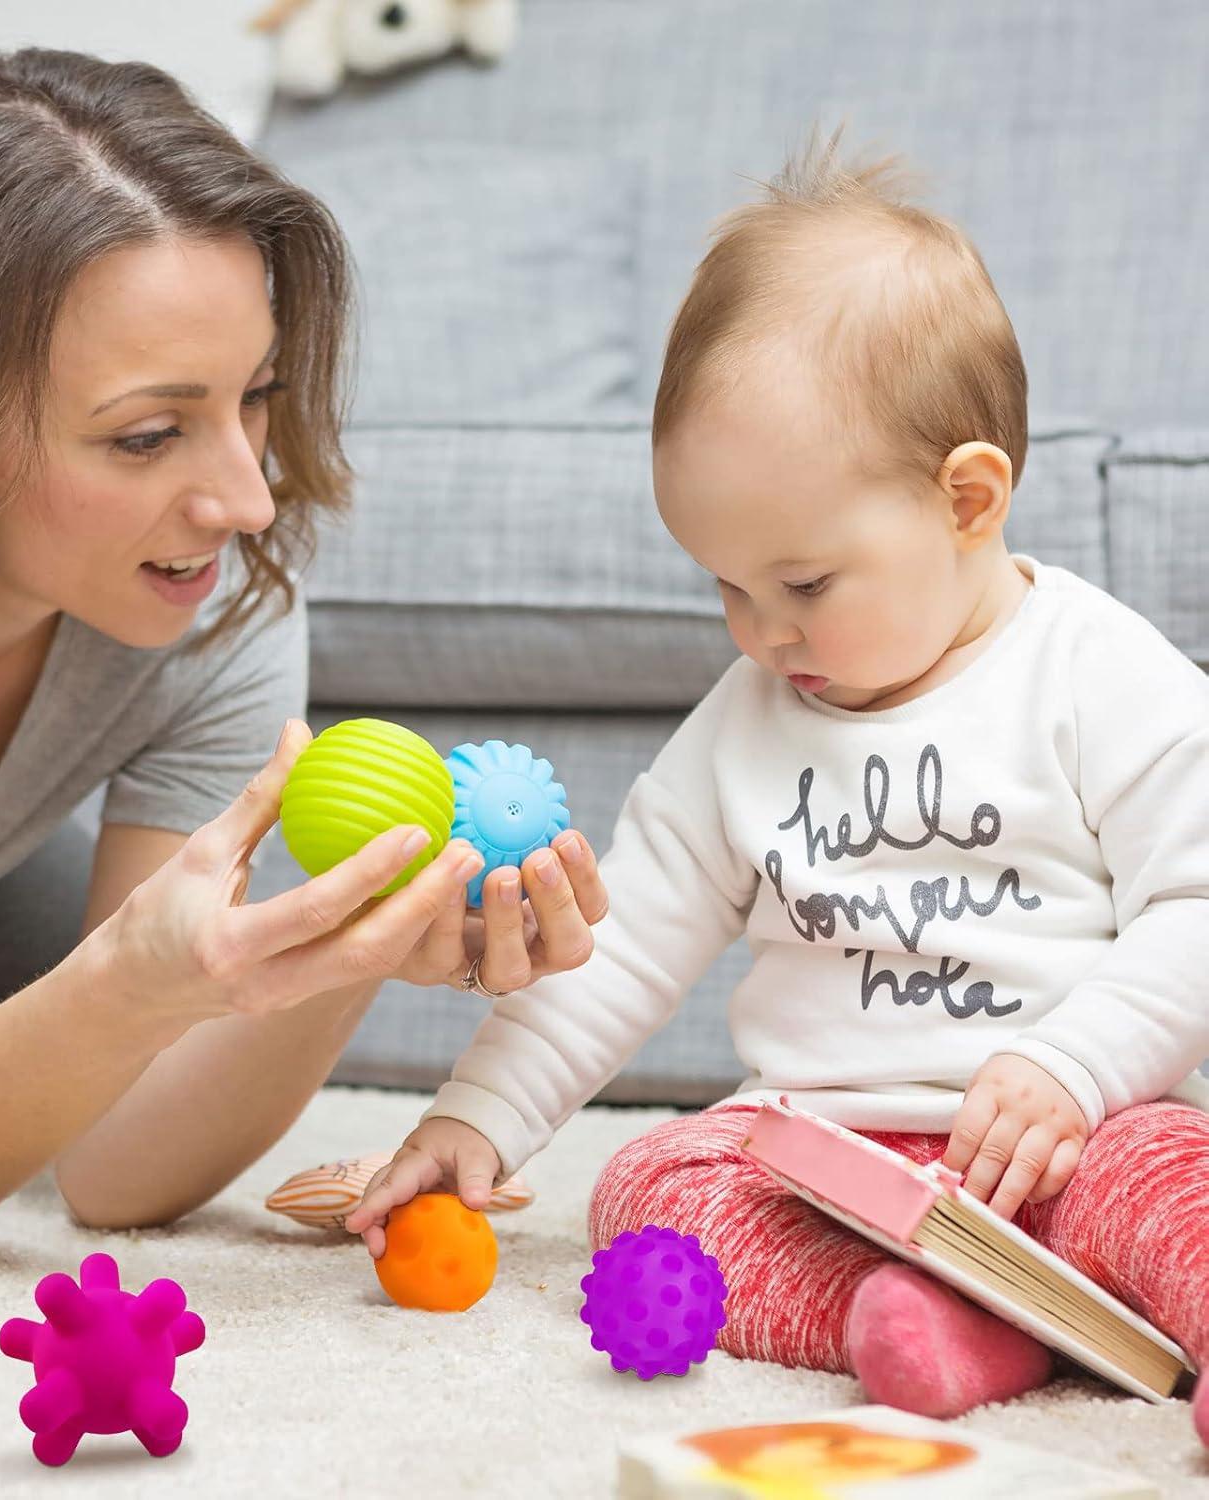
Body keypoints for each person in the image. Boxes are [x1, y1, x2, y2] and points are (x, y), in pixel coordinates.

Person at [347, 125, 1209, 1441]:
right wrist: (481, 1118)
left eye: (803, 585)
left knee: (1180, 1191)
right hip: (825, 1165)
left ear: (968, 500)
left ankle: (1039, 1298)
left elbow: (1196, 906)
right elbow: (619, 946)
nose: (760, 634)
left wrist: (1075, 1068)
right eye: (726, 588)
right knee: (646, 1185)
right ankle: (934, 1314)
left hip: (1069, 1145)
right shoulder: (745, 721)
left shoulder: (1098, 674)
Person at [0, 47, 608, 1249]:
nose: (245, 501)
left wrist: (355, 945)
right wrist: (126, 983)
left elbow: (119, 1172)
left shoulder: (208, 603)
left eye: (253, 398)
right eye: (146, 436)